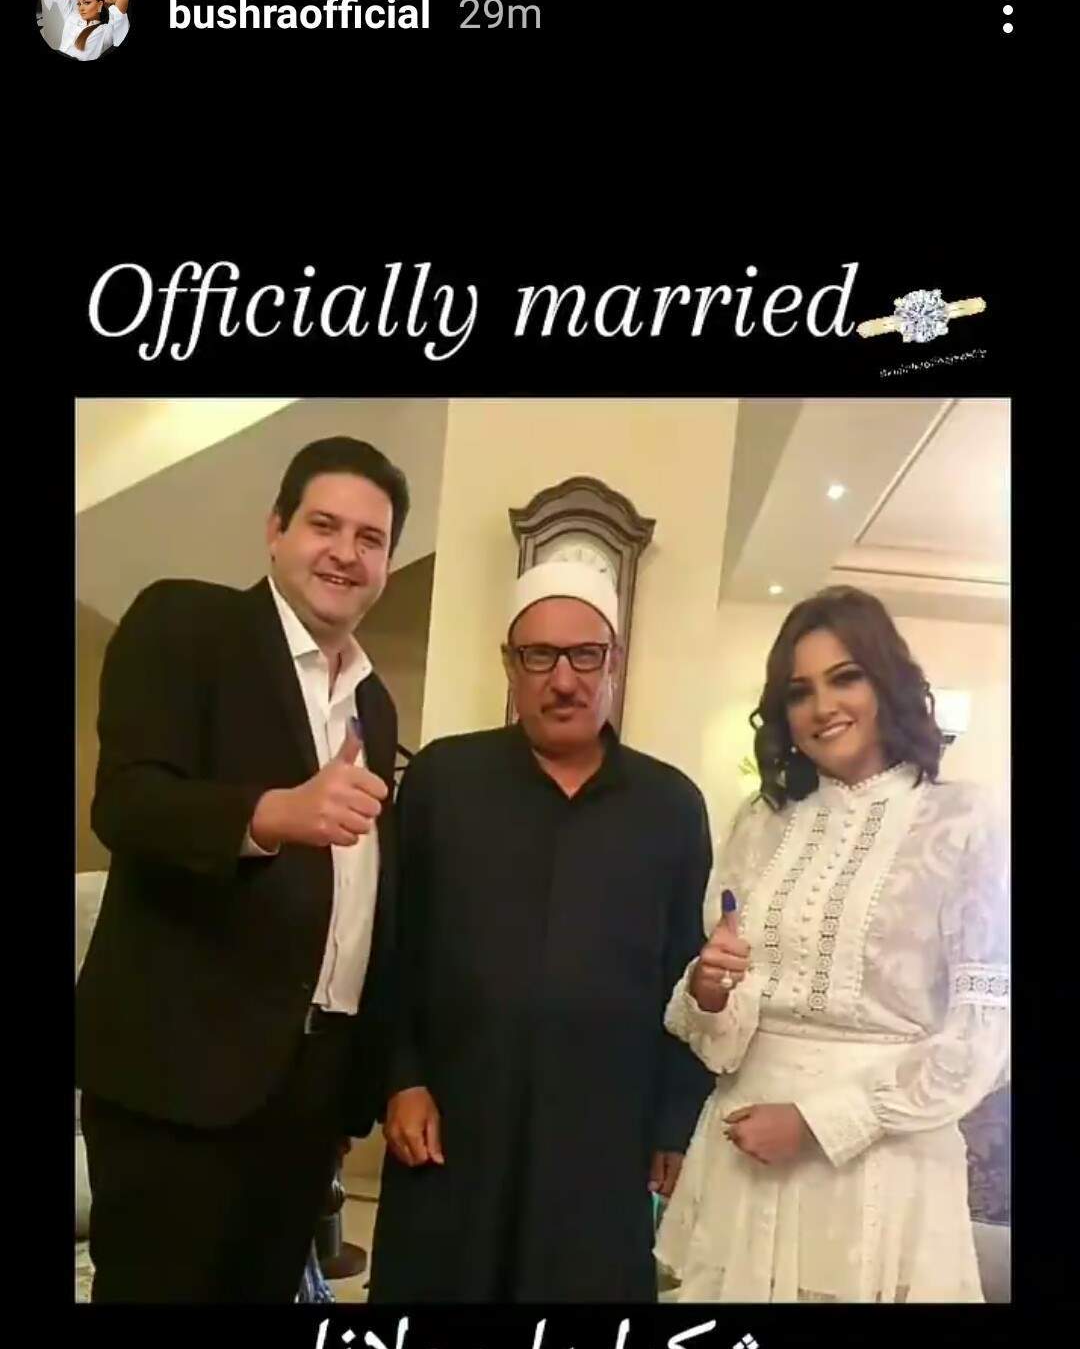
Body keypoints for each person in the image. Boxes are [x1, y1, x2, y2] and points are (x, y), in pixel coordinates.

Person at [76, 437, 408, 1302]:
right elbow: (126, 804)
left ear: (387, 563)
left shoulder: (374, 702)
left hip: (306, 1093)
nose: (345, 552)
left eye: (370, 538)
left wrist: (350, 1084)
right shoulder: (186, 625)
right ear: (275, 529)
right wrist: (270, 814)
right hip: (177, 1083)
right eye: (324, 525)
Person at [368, 559, 714, 1302]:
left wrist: (673, 1125)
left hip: (601, 1134)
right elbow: (394, 942)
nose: (564, 680)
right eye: (540, 656)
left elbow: (683, 977)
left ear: (613, 662)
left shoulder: (670, 806)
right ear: (510, 665)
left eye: (585, 655)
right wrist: (402, 1077)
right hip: (453, 1120)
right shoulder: (442, 781)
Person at [656, 585, 1009, 1303]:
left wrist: (819, 1124)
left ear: (887, 683)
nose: (822, 707)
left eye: (845, 678)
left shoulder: (963, 821)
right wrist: (710, 991)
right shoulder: (760, 823)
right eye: (799, 691)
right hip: (745, 1147)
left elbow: (983, 1036)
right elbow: (725, 1038)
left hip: (881, 1164)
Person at [45, 0, 130, 60]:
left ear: (100, 4)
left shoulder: (105, 31)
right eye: (79, 4)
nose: (81, 8)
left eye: (87, 3)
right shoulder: (72, 16)